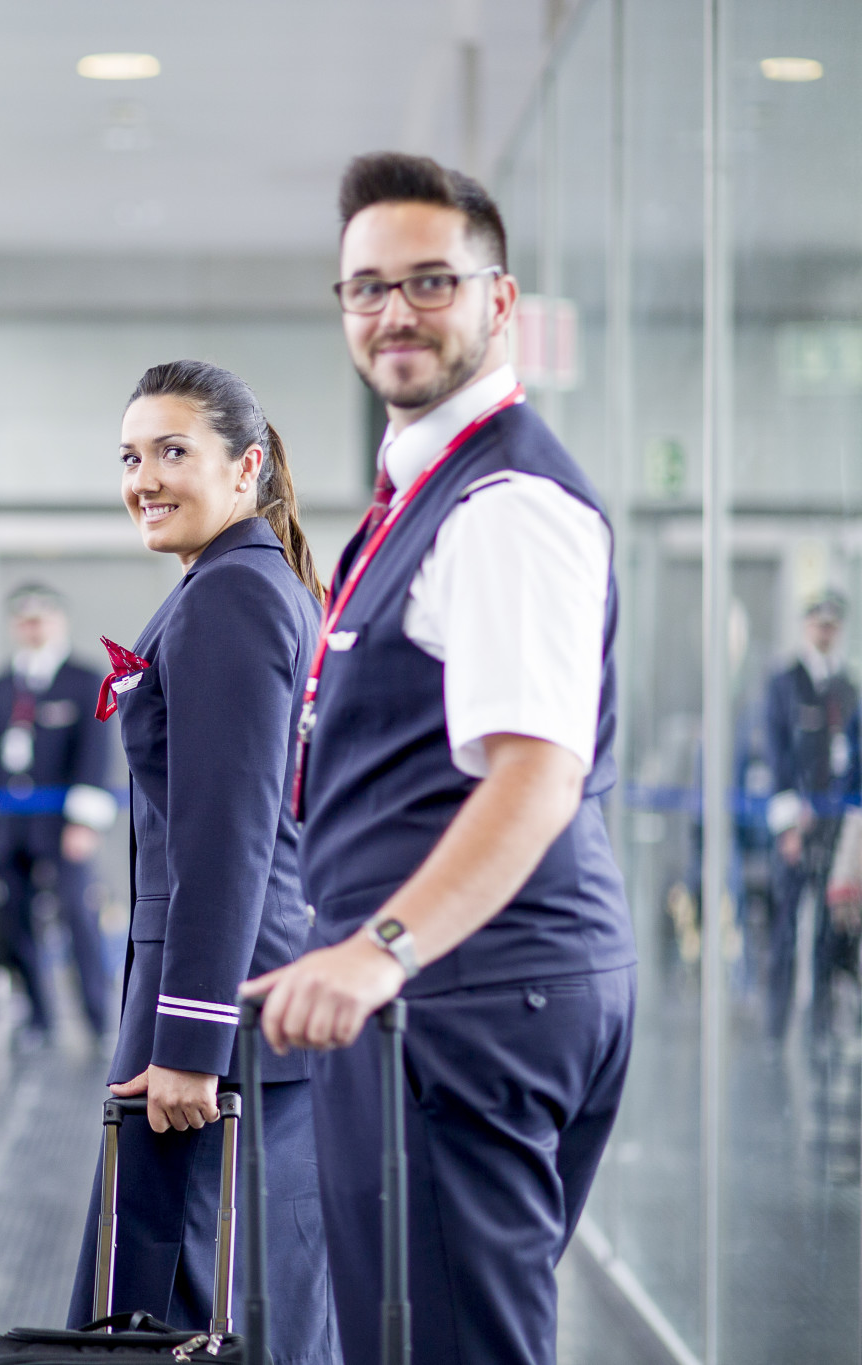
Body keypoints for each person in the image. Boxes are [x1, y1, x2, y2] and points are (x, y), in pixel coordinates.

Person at [244, 152, 637, 1365]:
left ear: (498, 301)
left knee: (446, 1345)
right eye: (365, 288)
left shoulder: (503, 504)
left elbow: (535, 771)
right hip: (451, 990)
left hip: (464, 993)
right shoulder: (422, 493)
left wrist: (378, 947)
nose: (393, 313)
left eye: (428, 282)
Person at [65, 361, 337, 1364]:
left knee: (181, 1315)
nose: (143, 477)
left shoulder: (231, 596)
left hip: (214, 1018)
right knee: (249, 1301)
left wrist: (188, 1041)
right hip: (232, 998)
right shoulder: (239, 584)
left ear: (246, 466)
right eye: (131, 456)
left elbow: (228, 835)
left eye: (173, 452)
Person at [0, 584, 116, 1044]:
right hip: (13, 822)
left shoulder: (83, 678)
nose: (32, 628)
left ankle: (96, 1017)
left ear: (59, 622)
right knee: (15, 918)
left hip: (62, 824)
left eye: (41, 619)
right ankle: (38, 1017)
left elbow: (95, 754)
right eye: (24, 619)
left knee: (77, 917)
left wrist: (84, 822)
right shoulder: (5, 682)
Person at [763, 590, 860, 1039]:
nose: (825, 632)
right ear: (806, 626)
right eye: (818, 623)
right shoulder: (785, 683)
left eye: (832, 625)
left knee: (827, 930)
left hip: (834, 824)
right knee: (785, 925)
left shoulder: (846, 687)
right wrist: (787, 825)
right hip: (795, 826)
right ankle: (775, 1027)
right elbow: (777, 754)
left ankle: (819, 1026)